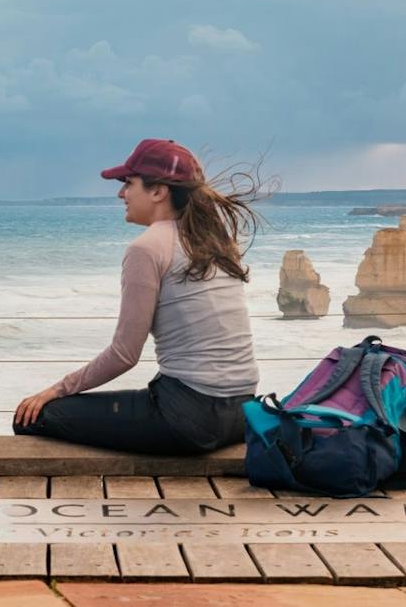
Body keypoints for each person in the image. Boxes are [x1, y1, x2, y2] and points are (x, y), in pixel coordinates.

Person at [13, 138, 260, 454]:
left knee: (31, 417)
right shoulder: (214, 242)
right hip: (240, 414)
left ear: (159, 191)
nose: (121, 194)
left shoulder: (147, 248)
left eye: (128, 183)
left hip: (188, 419)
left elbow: (124, 354)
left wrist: (56, 390)